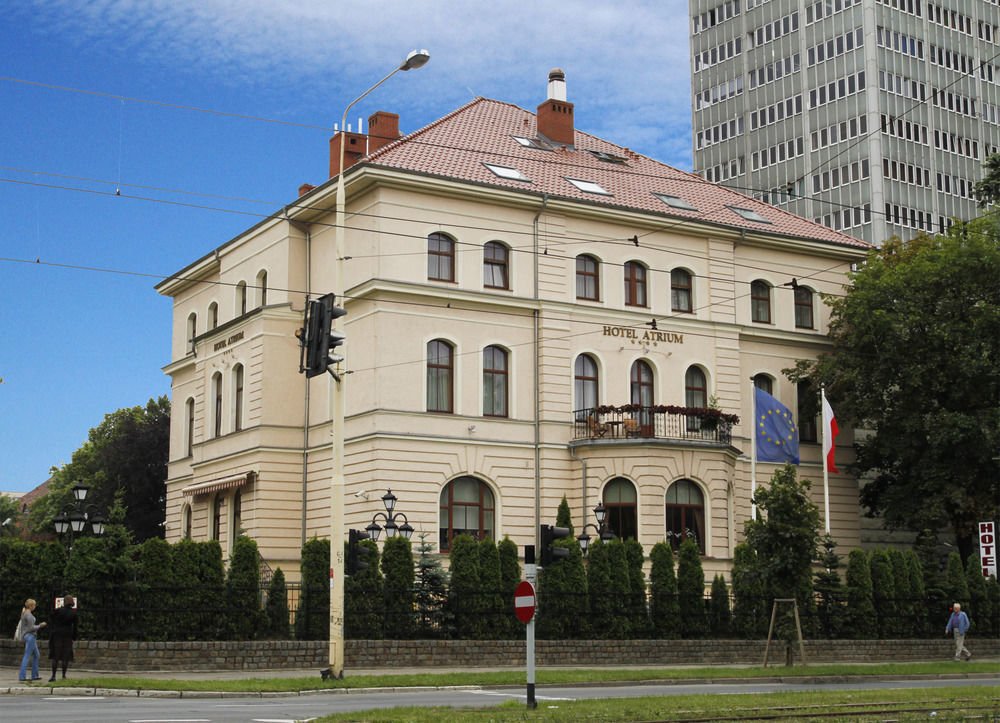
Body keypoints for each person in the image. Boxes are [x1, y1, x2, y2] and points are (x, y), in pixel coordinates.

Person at [48, 595, 79, 681]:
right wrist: (74, 637)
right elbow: (75, 627)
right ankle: (63, 675)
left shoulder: (58, 611)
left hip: (57, 634)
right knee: (66, 656)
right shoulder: (74, 613)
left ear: (64, 602)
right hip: (67, 635)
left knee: (55, 656)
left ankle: (53, 675)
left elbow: (51, 618)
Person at [17, 598, 47, 682]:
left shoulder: (25, 613)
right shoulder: (28, 615)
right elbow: (31, 628)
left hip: (28, 636)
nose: (35, 607)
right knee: (27, 656)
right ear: (30, 606)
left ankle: (34, 675)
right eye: (34, 605)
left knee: (36, 655)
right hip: (30, 636)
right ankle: (22, 676)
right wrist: (40, 625)